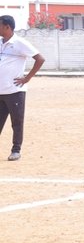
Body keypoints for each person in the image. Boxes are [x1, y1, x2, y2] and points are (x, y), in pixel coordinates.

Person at [0, 15, 45, 162]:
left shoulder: (19, 43)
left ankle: (16, 150)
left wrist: (27, 78)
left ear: (7, 27)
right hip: (1, 90)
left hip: (15, 91)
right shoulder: (0, 43)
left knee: (17, 122)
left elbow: (40, 59)